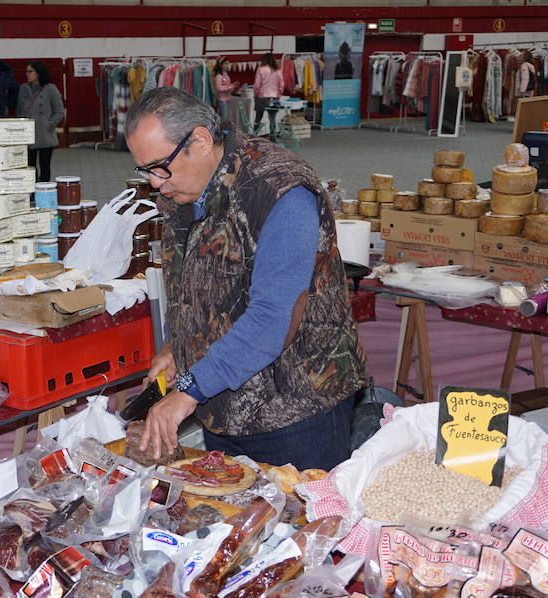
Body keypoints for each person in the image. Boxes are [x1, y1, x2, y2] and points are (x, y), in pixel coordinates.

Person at [125, 87, 367, 471]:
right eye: (145, 170)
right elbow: (192, 286)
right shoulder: (182, 193)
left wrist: (189, 392)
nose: (155, 182)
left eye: (159, 166)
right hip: (222, 403)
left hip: (296, 410)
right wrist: (176, 345)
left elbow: (273, 318)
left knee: (302, 525)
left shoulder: (279, 190)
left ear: (200, 141)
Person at [18, 60, 64, 183]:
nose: (27, 74)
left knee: (45, 166)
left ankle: (44, 191)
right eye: (26, 71)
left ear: (38, 73)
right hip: (27, 134)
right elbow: (19, 111)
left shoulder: (50, 89)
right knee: (30, 166)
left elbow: (60, 111)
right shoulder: (23, 88)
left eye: (30, 71)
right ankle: (31, 192)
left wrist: (49, 125)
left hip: (45, 134)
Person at [253, 53, 283, 138]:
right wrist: (278, 95)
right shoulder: (278, 70)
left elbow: (257, 85)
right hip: (274, 98)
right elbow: (281, 85)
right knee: (272, 118)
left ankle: (254, 135)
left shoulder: (260, 69)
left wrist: (255, 95)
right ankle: (273, 136)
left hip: (262, 97)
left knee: (258, 117)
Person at [213, 57, 235, 122]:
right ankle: (221, 131)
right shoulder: (218, 76)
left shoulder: (226, 75)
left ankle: (222, 130)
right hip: (222, 100)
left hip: (227, 98)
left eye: (228, 64)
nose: (227, 65)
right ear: (221, 65)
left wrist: (233, 87)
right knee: (223, 118)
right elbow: (218, 88)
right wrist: (230, 87)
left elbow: (228, 85)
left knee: (225, 118)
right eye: (225, 64)